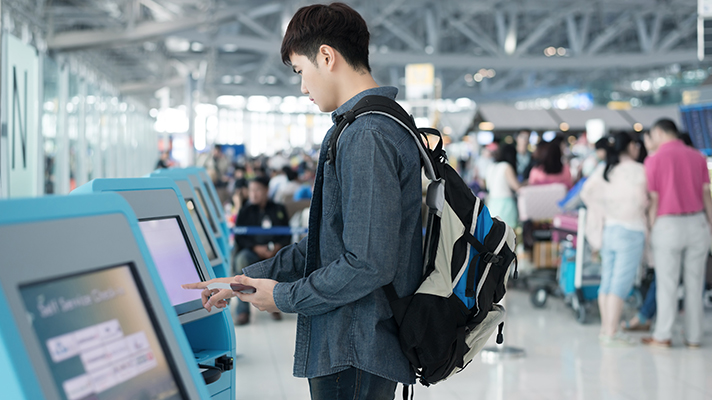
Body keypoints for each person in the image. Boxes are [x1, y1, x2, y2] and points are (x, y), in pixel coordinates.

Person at [183, 4, 423, 399]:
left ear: (326, 57)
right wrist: (244, 280)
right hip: (352, 345)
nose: (302, 87)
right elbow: (327, 245)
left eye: (300, 71)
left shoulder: (367, 136)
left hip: (355, 348)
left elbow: (368, 263)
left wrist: (281, 297)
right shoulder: (370, 126)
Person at [642, 119, 712, 348]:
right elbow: (706, 196)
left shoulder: (654, 160)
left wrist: (651, 228)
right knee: (695, 284)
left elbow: (653, 199)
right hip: (698, 223)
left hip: (668, 224)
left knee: (667, 283)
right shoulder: (698, 157)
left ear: (660, 133)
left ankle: (663, 335)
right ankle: (694, 337)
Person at [581, 133, 647, 346]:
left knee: (608, 280)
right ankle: (611, 331)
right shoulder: (638, 170)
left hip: (609, 229)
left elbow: (586, 193)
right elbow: (643, 200)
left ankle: (606, 329)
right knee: (621, 282)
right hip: (631, 229)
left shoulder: (606, 169)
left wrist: (605, 209)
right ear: (629, 146)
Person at [232, 176, 291, 325]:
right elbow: (239, 237)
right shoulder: (245, 211)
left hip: (274, 252)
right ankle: (243, 311)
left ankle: (275, 304)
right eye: (251, 190)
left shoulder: (278, 209)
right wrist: (255, 247)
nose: (254, 194)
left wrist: (278, 246)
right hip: (252, 251)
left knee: (284, 259)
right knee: (241, 260)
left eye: (257, 190)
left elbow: (287, 234)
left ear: (266, 190)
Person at [485, 144, 521, 227]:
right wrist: (526, 183)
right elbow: (516, 187)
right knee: (509, 233)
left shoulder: (491, 166)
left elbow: (487, 186)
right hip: (506, 205)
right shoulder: (506, 166)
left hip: (492, 203)